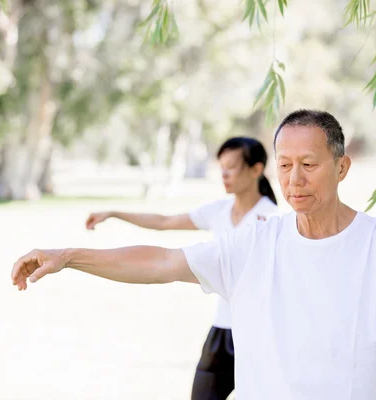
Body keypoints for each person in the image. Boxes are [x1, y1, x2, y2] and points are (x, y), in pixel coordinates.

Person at [11, 109, 376, 400]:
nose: (294, 178)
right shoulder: (255, 242)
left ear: (341, 167)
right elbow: (161, 261)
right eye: (285, 164)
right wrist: (69, 255)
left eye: (309, 164)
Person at [83, 136, 279, 399]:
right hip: (222, 331)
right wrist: (115, 213)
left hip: (259, 335)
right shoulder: (218, 210)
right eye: (221, 166)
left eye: (231, 166)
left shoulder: (273, 219)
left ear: (256, 169)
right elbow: (165, 221)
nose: (224, 174)